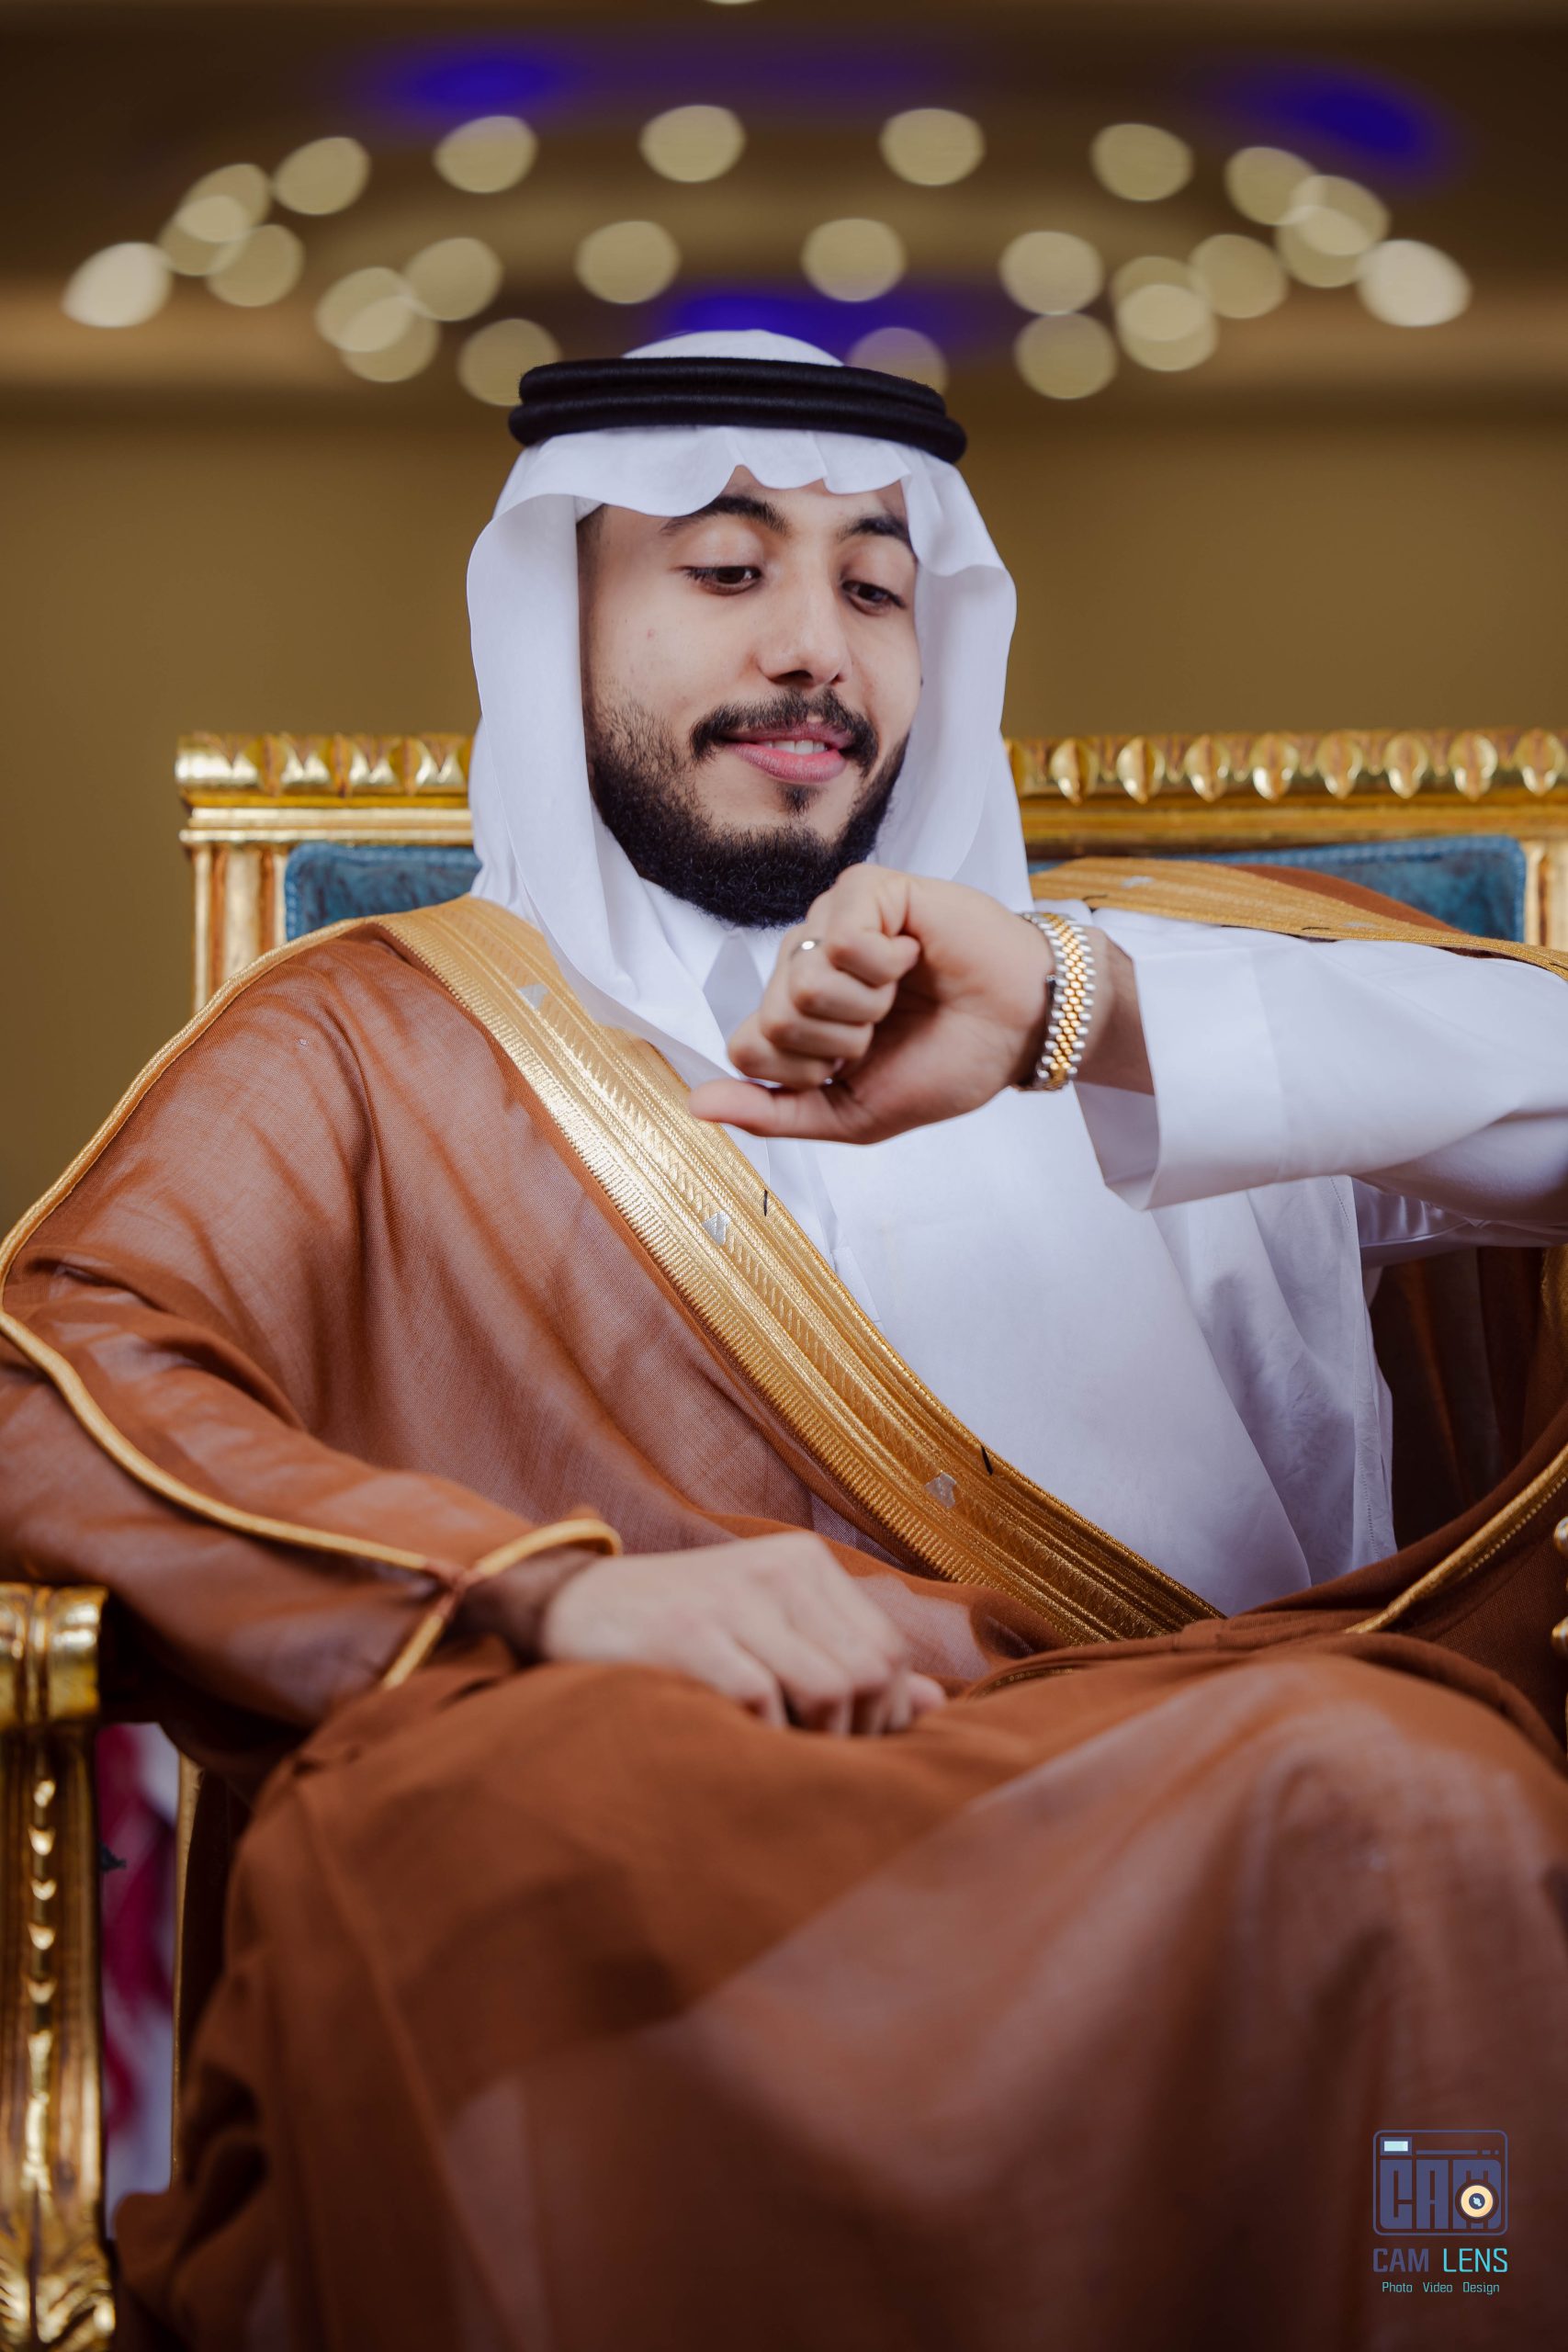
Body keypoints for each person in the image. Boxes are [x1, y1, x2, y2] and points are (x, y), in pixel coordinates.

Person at [2, 330, 1565, 2349]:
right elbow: (46, 1388)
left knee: (1413, 1799)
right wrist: (540, 1594)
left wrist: (1080, 1011)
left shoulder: (1162, 992)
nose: (816, 645)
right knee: (461, 1851)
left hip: (1196, 1801)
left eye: (877, 587)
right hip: (628, 1801)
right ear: (558, 609)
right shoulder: (367, 1043)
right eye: (727, 567)